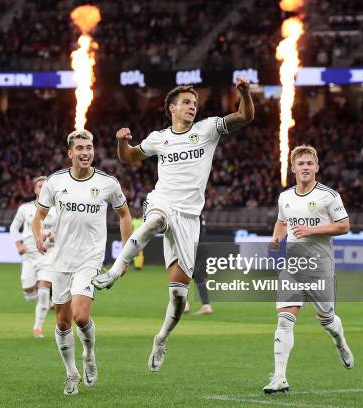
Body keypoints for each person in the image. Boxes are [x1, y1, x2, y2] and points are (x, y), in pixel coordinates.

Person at [93, 77, 254, 372]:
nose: (192, 107)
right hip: (163, 201)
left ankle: (161, 338)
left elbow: (245, 116)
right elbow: (129, 157)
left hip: (190, 218)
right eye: (186, 103)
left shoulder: (207, 130)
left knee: (179, 297)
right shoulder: (159, 138)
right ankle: (115, 270)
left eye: (195, 103)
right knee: (154, 219)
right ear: (171, 108)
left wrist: (244, 93)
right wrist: (121, 142)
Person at [33, 129, 132, 396]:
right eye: (80, 148)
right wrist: (38, 237)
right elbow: (38, 216)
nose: (85, 152)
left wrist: (125, 256)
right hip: (61, 261)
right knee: (63, 323)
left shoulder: (108, 183)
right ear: (70, 153)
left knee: (80, 315)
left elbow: (124, 215)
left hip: (90, 259)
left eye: (89, 147)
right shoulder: (54, 182)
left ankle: (89, 354)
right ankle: (71, 373)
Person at [263, 145, 354, 394]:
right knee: (284, 321)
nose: (305, 167)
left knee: (326, 320)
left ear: (316, 167)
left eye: (309, 163)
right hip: (293, 266)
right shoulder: (285, 197)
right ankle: (279, 378)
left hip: (320, 267)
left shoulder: (329, 196)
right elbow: (282, 222)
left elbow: (344, 226)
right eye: (300, 163)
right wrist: (276, 239)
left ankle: (340, 342)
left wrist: (311, 230)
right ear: (293, 168)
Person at [10, 176, 56, 338]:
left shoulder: (57, 210)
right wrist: (18, 245)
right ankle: (34, 290)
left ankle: (38, 328)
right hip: (29, 255)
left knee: (44, 294)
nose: (42, 189)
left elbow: (63, 234)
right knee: (29, 293)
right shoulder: (25, 208)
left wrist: (52, 237)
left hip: (48, 254)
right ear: (35, 189)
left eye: (45, 186)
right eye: (39, 186)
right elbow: (14, 228)